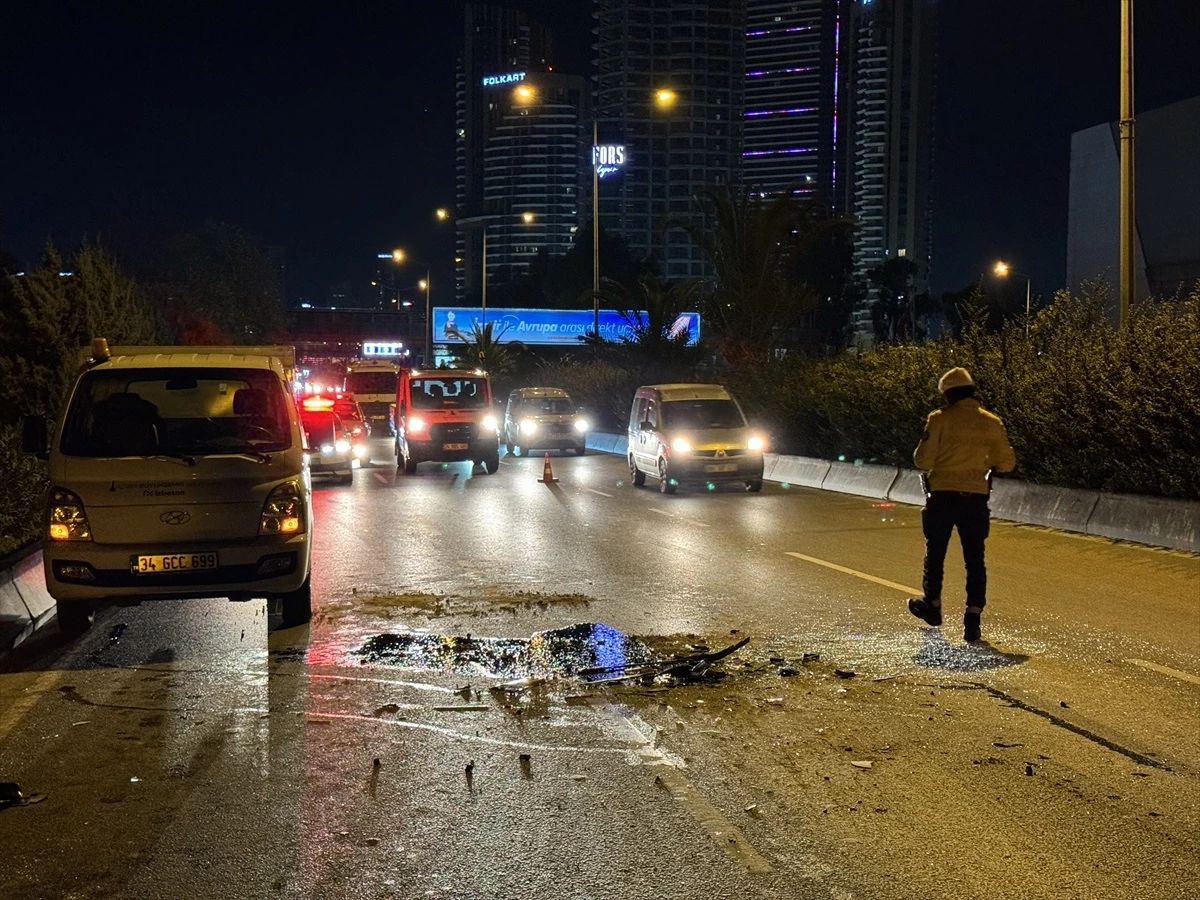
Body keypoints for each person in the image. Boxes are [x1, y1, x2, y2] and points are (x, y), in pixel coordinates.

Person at [908, 367, 1016, 642]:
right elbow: (1006, 462)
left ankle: (931, 606)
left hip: (942, 496)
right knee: (975, 559)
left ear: (948, 395)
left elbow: (923, 461)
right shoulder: (992, 422)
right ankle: (973, 618)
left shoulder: (939, 419)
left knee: (935, 553)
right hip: (976, 498)